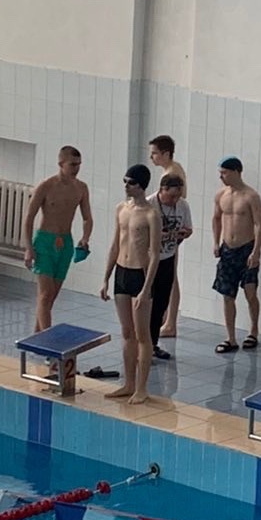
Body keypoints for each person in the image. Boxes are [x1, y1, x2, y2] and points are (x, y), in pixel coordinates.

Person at [100, 166, 161, 404]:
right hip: (121, 274)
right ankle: (128, 384)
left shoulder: (151, 215)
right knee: (127, 332)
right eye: (125, 181)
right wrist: (106, 278)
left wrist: (146, 289)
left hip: (140, 276)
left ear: (141, 186)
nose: (126, 186)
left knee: (142, 335)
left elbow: (154, 254)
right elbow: (115, 245)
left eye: (131, 183)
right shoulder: (121, 209)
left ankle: (142, 388)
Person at [23, 146, 93, 334]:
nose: (76, 169)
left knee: (50, 297)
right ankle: (47, 341)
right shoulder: (46, 186)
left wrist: (85, 238)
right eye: (72, 165)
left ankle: (37, 335)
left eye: (79, 165)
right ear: (61, 163)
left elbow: (87, 218)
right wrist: (29, 248)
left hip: (65, 243)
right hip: (45, 242)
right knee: (45, 295)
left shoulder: (81, 188)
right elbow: (29, 218)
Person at [210, 156, 261, 353]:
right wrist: (215, 242)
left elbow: (260, 224)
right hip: (227, 249)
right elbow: (216, 218)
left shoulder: (251, 196)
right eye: (220, 173)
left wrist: (256, 251)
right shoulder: (221, 195)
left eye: (224, 173)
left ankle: (253, 331)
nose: (221, 177)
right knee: (227, 295)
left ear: (236, 172)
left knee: (250, 292)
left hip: (246, 249)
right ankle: (231, 338)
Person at [147, 173, 193, 363]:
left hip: (167, 258)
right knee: (146, 305)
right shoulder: (149, 205)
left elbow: (189, 229)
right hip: (148, 261)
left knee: (161, 304)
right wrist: (161, 235)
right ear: (162, 190)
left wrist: (182, 233)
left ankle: (152, 344)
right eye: (172, 196)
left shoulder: (182, 205)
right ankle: (142, 346)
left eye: (178, 196)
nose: (175, 200)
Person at [149, 135, 188, 339]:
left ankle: (170, 322)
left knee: (170, 277)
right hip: (170, 228)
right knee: (169, 276)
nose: (151, 157)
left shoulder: (172, 172)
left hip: (171, 229)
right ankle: (165, 319)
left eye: (154, 153)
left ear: (166, 153)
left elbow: (176, 201)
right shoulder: (173, 169)